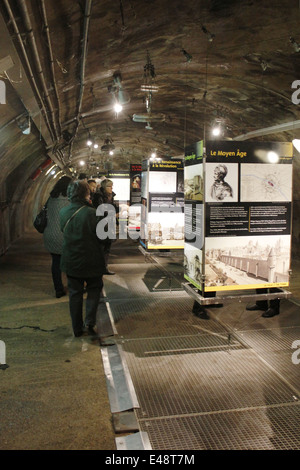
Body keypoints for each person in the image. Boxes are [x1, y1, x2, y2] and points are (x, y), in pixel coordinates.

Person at [59, 180, 108, 337]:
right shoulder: (93, 214)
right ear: (87, 194)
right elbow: (104, 238)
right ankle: (90, 322)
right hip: (92, 260)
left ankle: (76, 328)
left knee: (75, 294)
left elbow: (63, 230)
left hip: (72, 260)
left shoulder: (63, 213)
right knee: (94, 290)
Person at [43, 175, 72, 298]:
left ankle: (58, 289)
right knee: (71, 262)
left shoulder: (51, 198)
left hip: (51, 234)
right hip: (66, 235)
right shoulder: (70, 200)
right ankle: (74, 287)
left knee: (56, 263)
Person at [92, 178, 119, 274]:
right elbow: (99, 211)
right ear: (104, 187)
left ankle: (104, 268)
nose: (112, 188)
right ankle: (98, 268)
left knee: (107, 247)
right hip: (101, 224)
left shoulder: (111, 196)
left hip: (110, 224)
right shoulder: (98, 197)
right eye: (109, 186)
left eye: (112, 186)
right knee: (100, 248)